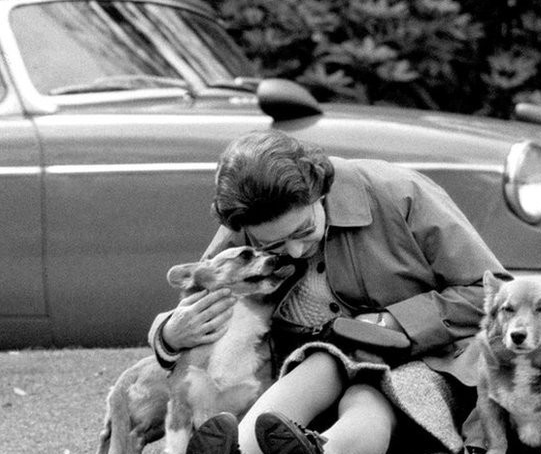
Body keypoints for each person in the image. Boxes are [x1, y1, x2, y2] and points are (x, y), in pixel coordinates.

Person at [148, 129, 508, 454]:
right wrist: (168, 335)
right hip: (312, 366)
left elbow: (493, 293)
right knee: (323, 361)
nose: (293, 252)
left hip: (423, 360)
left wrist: (394, 321)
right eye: (274, 245)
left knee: (369, 395)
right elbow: (198, 300)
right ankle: (242, 447)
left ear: (319, 189)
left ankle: (317, 450)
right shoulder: (249, 221)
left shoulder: (401, 194)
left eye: (303, 231)